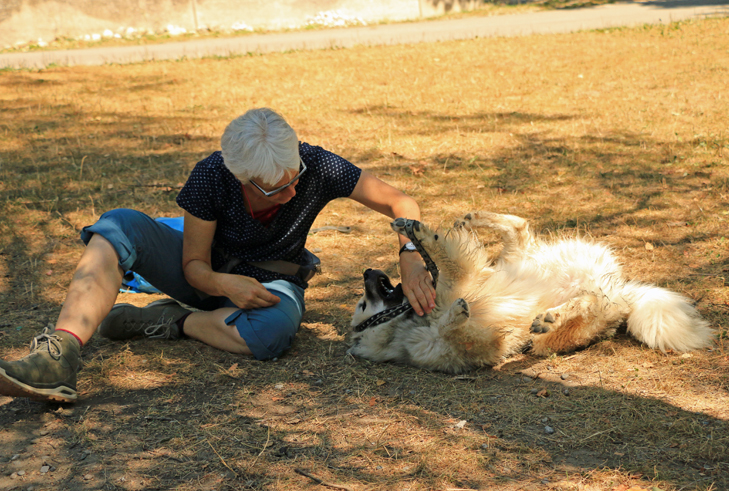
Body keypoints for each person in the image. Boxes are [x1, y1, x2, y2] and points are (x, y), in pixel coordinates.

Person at [0, 108, 436, 403]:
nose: (291, 193)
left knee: (272, 334)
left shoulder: (317, 166)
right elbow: (194, 266)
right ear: (239, 176)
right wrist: (223, 284)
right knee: (117, 225)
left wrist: (410, 252)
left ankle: (174, 321)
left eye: (293, 179)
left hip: (272, 279)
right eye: (273, 189)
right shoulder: (211, 176)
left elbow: (401, 203)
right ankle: (60, 353)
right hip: (206, 274)